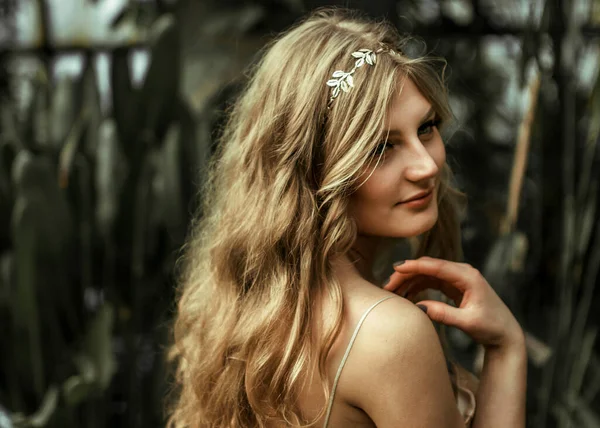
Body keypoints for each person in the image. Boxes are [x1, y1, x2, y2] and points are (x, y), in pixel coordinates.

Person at [167, 7, 527, 427]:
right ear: (314, 167)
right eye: (380, 148)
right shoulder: (389, 334)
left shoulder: (254, 311)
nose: (426, 166)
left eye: (426, 128)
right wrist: (506, 350)